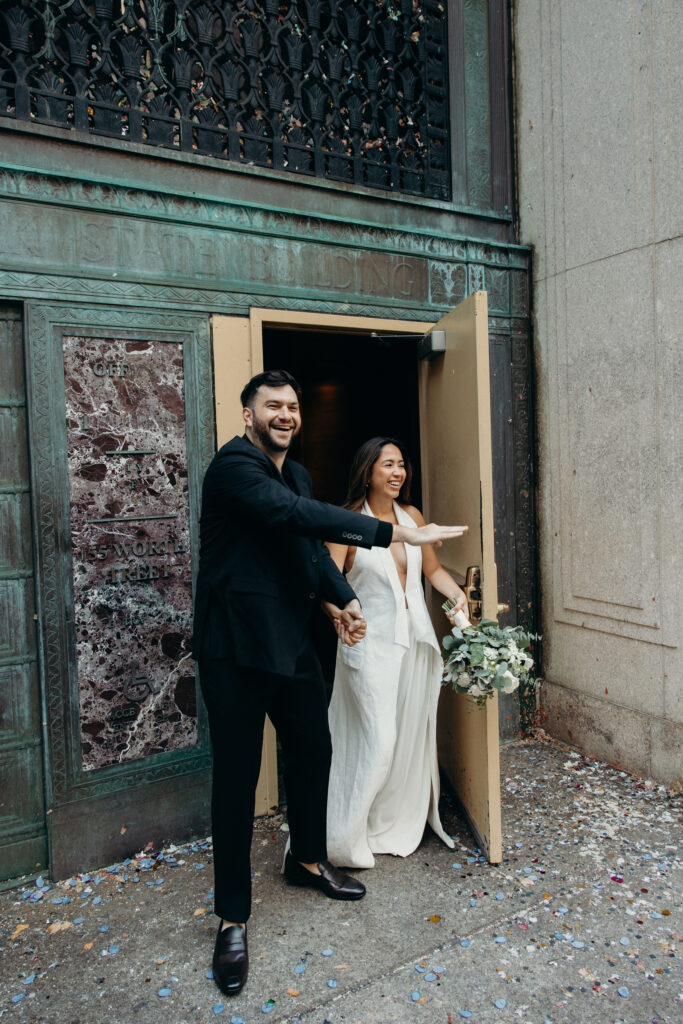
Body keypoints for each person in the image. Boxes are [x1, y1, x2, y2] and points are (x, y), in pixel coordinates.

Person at [193, 372, 468, 997]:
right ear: (248, 415)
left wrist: (344, 601)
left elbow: (310, 552)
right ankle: (232, 917)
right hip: (234, 651)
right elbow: (290, 516)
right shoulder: (234, 467)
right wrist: (395, 531)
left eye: (292, 406)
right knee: (236, 784)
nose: (285, 414)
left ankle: (306, 859)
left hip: (289, 646)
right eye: (273, 406)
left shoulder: (299, 475)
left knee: (315, 752)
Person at [325, 437, 469, 870]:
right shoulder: (346, 520)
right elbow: (328, 580)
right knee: (377, 739)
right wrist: (337, 614)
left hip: (415, 643)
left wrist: (459, 599)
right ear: (367, 470)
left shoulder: (413, 517)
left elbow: (433, 571)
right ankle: (343, 839)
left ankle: (391, 820)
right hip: (367, 645)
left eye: (401, 464)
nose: (397, 472)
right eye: (387, 464)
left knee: (408, 732)